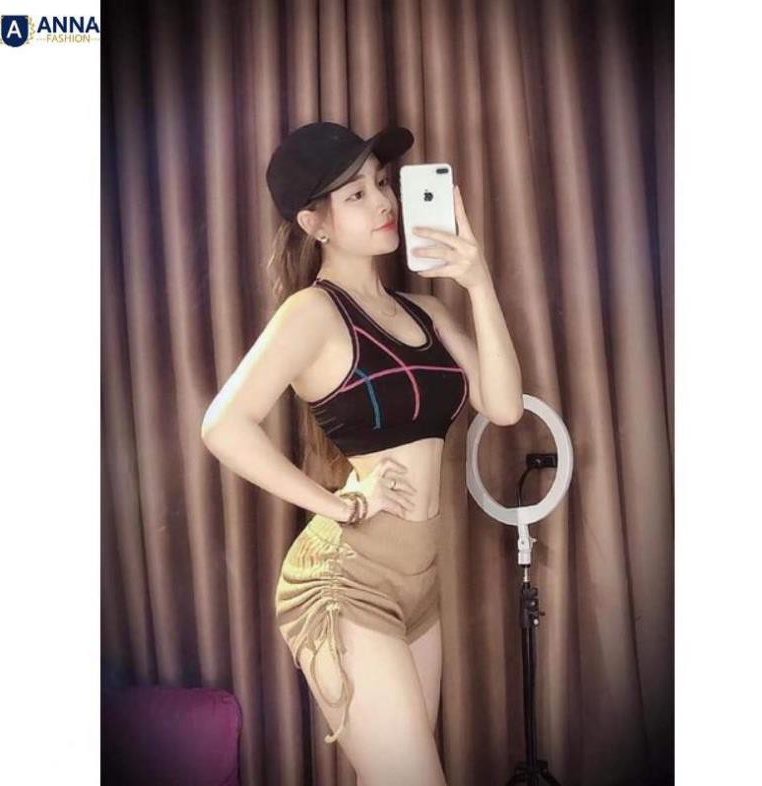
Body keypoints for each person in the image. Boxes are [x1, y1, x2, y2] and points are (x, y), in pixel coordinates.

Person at [201, 121, 523, 785]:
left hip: (421, 582)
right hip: (345, 582)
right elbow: (223, 426)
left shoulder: (427, 310)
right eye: (356, 195)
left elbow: (505, 406)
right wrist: (340, 504)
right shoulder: (311, 314)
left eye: (381, 184)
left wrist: (479, 283)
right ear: (314, 223)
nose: (383, 202)